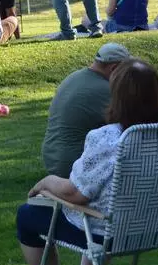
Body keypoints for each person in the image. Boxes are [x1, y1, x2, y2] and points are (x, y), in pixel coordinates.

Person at [20, 59, 158, 265]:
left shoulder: (110, 138)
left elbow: (74, 193)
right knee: (103, 206)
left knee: (28, 215)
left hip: (113, 233)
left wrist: (46, 182)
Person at [41, 43, 132, 177]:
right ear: (114, 68)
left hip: (53, 158)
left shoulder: (74, 77)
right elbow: (132, 125)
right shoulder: (105, 89)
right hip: (74, 165)